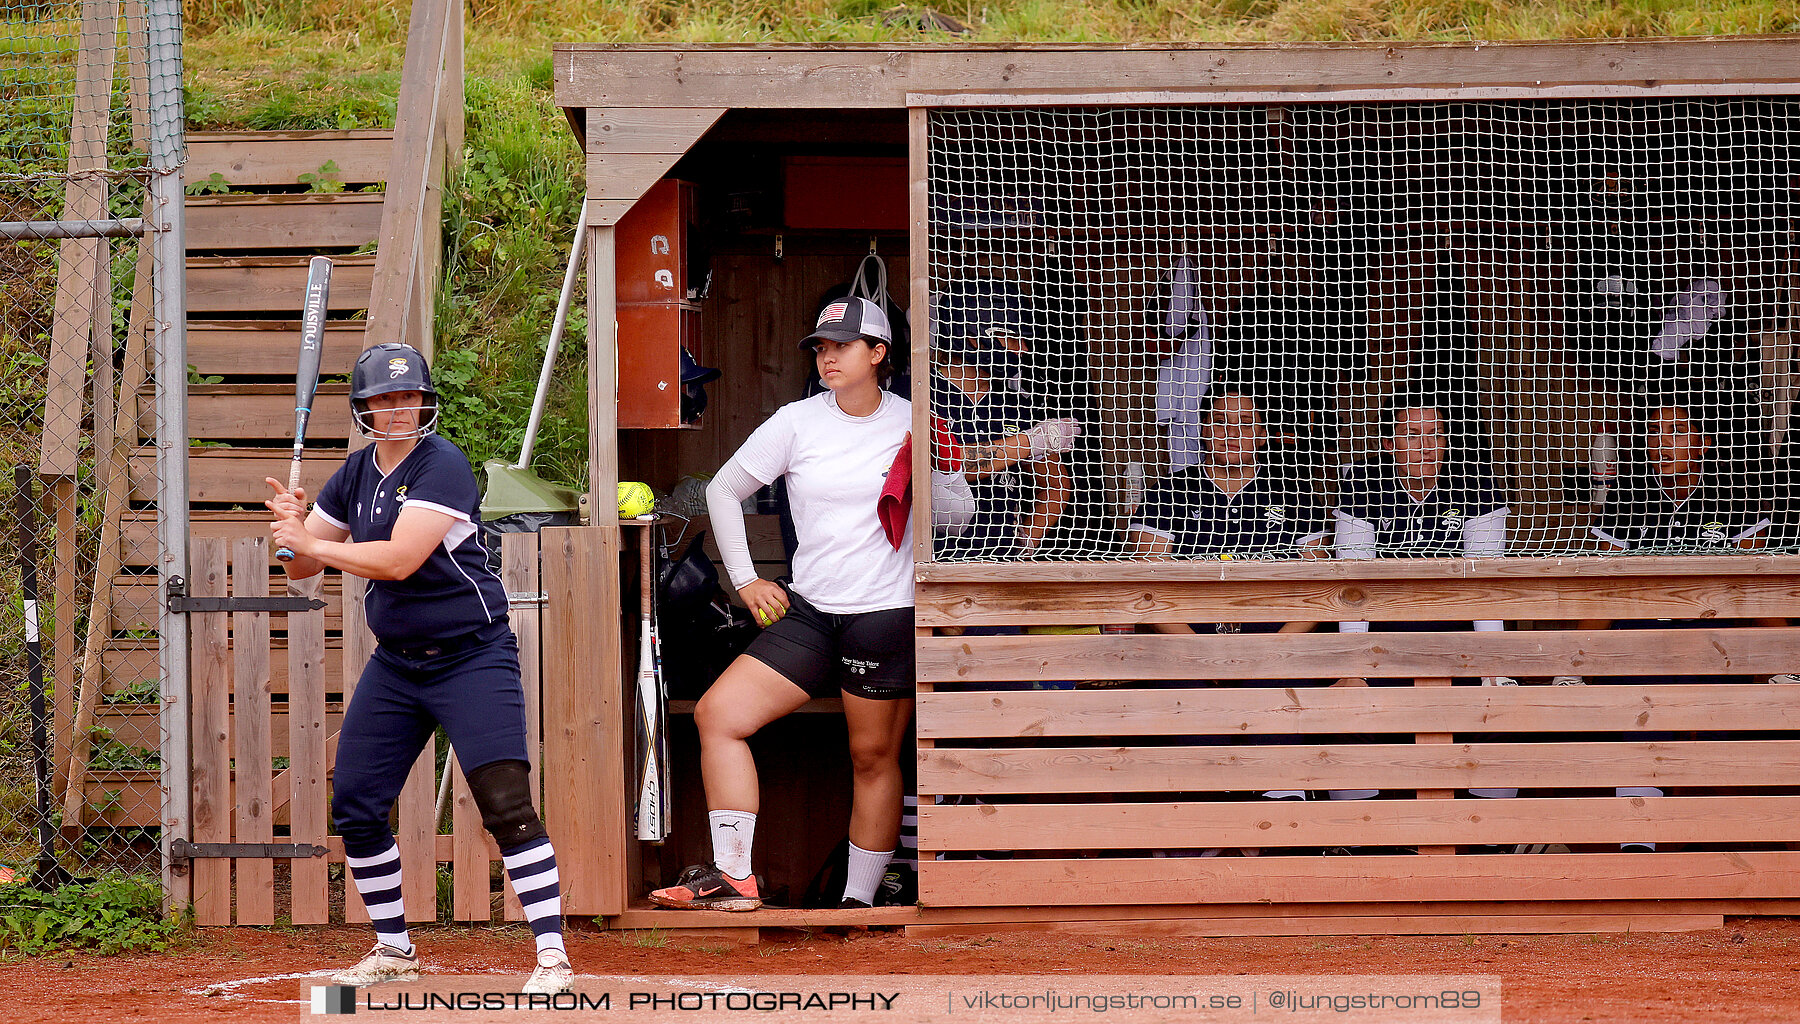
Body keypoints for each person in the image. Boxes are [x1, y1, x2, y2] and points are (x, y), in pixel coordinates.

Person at [265, 343, 572, 994]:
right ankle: (395, 949)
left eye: (408, 397)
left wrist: (314, 543)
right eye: (384, 398)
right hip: (398, 665)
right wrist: (292, 533)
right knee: (354, 804)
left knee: (505, 801)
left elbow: (399, 560)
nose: (398, 409)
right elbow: (301, 567)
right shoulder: (353, 474)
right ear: (366, 407)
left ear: (425, 402)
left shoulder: (444, 465)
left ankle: (552, 958)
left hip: (472, 655)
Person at [648, 297, 914, 912]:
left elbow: (959, 512)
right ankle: (735, 877)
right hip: (811, 610)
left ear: (878, 354)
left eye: (841, 346)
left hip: (885, 612)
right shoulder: (797, 421)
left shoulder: (912, 420)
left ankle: (856, 904)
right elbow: (723, 490)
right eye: (820, 347)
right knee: (720, 715)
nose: (827, 357)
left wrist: (929, 482)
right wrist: (745, 580)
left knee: (872, 755)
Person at [1565, 397, 1775, 851]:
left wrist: (1782, 659)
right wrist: (1572, 663)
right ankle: (1640, 816)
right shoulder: (1629, 495)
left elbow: (1756, 584)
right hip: (1647, 640)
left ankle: (1713, 826)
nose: (1663, 443)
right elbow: (1609, 590)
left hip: (1714, 639)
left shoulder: (1735, 489)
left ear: (1702, 443)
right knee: (1643, 662)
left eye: (1677, 432)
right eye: (1656, 433)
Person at [1126, 388, 1330, 853]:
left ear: (1262, 433)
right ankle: (1201, 844)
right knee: (1186, 710)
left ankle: (1279, 842)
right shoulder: (1171, 490)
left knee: (1281, 690)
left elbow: (1317, 592)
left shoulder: (1294, 491)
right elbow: (1148, 588)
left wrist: (1264, 655)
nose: (1231, 433)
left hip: (1272, 648)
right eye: (1219, 422)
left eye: (1244, 422)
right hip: (1187, 648)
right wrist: (1206, 658)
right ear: (1201, 433)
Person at [1334, 396, 1530, 847]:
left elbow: (1485, 584)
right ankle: (1362, 839)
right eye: (1412, 435)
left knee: (1498, 711)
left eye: (1435, 435)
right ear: (1388, 443)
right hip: (1382, 639)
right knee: (1349, 709)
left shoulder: (1475, 480)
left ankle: (1492, 838)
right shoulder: (1362, 483)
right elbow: (1353, 582)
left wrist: (1492, 670)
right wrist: (1353, 669)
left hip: (1458, 637)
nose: (1426, 446)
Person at [930, 284, 1075, 560]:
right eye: (1012, 337)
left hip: (1001, 555)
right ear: (974, 336)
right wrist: (1030, 442)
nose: (1023, 349)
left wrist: (1030, 536)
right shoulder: (924, 394)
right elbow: (951, 467)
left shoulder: (1015, 402)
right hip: (935, 558)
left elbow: (1056, 483)